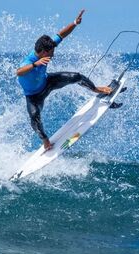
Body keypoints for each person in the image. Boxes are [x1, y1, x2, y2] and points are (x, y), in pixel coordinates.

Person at [16, 9, 112, 151]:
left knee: (76, 76)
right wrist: (36, 64)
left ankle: (95, 89)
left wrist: (75, 23)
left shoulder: (47, 47)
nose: (53, 54)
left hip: (48, 82)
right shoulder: (28, 61)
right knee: (35, 118)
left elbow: (61, 35)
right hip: (33, 97)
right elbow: (18, 72)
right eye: (51, 52)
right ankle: (45, 141)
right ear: (42, 52)